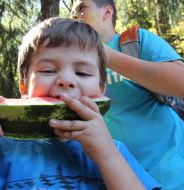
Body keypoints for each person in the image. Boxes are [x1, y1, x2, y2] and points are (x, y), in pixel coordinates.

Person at [0, 17, 161, 190]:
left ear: (101, 89)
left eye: (82, 72)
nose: (66, 80)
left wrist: (107, 156)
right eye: (48, 70)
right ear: (23, 87)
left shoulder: (115, 151)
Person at [71, 1, 184, 189]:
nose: (75, 17)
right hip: (110, 180)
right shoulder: (71, 61)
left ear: (107, 12)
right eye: (73, 13)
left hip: (171, 177)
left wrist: (108, 56)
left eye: (82, 8)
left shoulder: (136, 41)